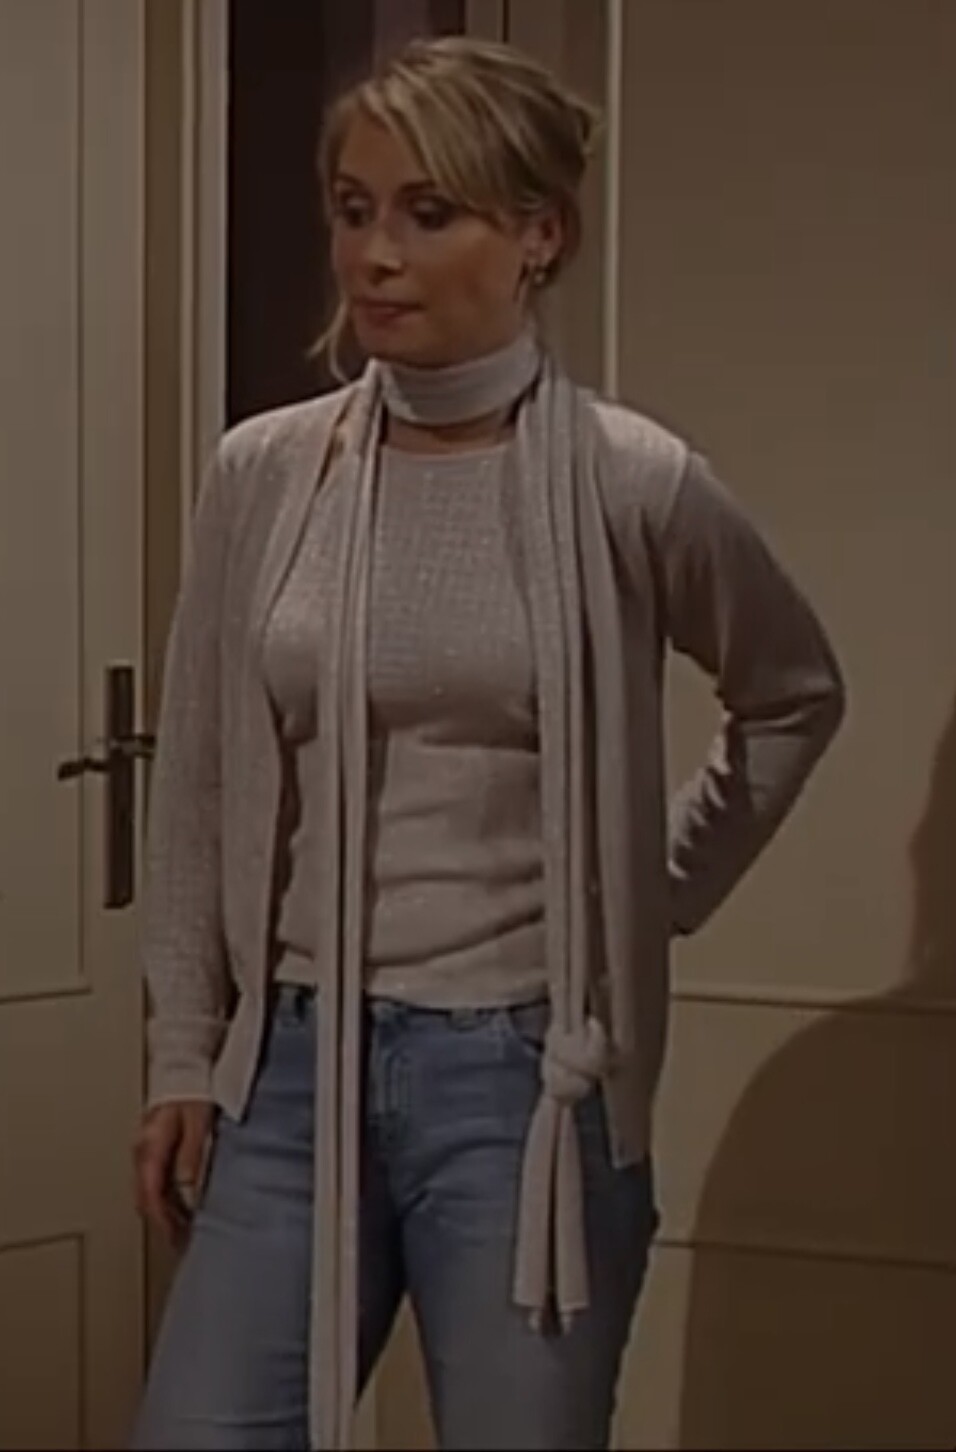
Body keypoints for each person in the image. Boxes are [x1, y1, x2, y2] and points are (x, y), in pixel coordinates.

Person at [131, 35, 845, 1452]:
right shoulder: (266, 472)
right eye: (353, 210)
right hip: (293, 1065)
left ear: (538, 236)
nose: (375, 255)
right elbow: (199, 776)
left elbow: (792, 695)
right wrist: (180, 1050)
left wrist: (653, 894)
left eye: (428, 212)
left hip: (525, 1076)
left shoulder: (633, 482)